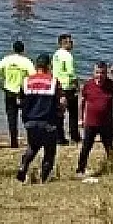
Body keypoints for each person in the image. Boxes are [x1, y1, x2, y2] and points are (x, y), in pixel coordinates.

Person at [17, 53, 65, 183]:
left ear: (36, 65)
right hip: (48, 121)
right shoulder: (53, 82)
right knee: (49, 151)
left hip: (30, 121)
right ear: (49, 66)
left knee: (32, 147)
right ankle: (44, 178)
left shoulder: (26, 81)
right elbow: (62, 101)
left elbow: (19, 101)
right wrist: (61, 113)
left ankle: (23, 167)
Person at [76, 62, 113, 177]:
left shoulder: (111, 85)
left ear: (106, 73)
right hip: (91, 123)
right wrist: (80, 119)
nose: (100, 75)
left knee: (109, 146)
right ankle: (80, 170)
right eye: (97, 72)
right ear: (93, 73)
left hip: (106, 123)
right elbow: (82, 103)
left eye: (103, 73)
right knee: (86, 147)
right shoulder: (88, 85)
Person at [0, 40, 35, 148]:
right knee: (27, 116)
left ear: (13, 49)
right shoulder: (26, 61)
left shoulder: (7, 60)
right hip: (22, 92)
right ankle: (31, 139)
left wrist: (1, 86)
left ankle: (13, 142)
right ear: (23, 50)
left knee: (11, 117)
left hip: (9, 91)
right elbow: (33, 75)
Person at [53, 33, 80, 144]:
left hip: (57, 86)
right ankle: (74, 136)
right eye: (70, 42)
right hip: (68, 86)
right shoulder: (68, 56)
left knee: (59, 113)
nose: (72, 44)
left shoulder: (56, 54)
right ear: (64, 43)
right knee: (73, 113)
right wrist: (77, 85)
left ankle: (59, 136)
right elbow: (71, 73)